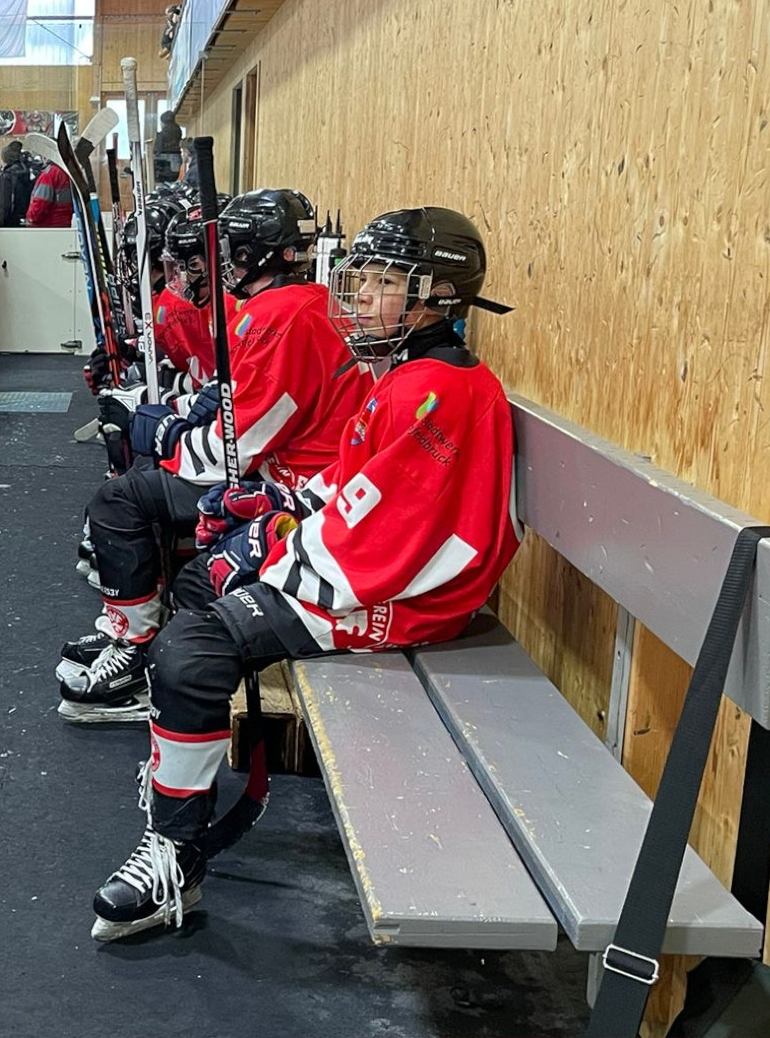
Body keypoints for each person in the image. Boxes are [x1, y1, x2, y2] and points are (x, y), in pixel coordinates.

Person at [87, 206, 521, 942]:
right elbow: (351, 486)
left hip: (403, 601)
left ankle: (176, 858)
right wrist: (278, 507)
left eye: (385, 284)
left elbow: (389, 547)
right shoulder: (408, 376)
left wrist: (272, 551)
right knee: (196, 593)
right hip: (373, 575)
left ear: (437, 298)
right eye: (366, 280)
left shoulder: (439, 395)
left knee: (190, 652)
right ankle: (176, 773)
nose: (360, 299)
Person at [59, 190, 369, 723]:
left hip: (290, 484)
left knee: (119, 501)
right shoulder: (293, 305)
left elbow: (236, 443)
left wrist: (164, 434)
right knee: (145, 497)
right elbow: (231, 397)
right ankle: (138, 634)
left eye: (229, 250)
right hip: (290, 473)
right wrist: (176, 411)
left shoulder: (282, 316)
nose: (220, 262)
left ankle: (136, 653)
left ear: (259, 253)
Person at [0, 142, 36, 227]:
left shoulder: (7, 175)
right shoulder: (28, 173)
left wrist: (0, 223)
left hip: (10, 220)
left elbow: (4, 204)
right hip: (25, 219)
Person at [25, 158, 75, 228]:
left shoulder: (50, 173)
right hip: (64, 223)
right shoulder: (67, 172)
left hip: (49, 225)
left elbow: (41, 202)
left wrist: (31, 218)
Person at [154, 111, 183, 184]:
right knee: (173, 181)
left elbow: (158, 148)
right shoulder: (178, 130)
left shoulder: (163, 133)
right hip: (177, 158)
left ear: (163, 122)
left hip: (164, 161)